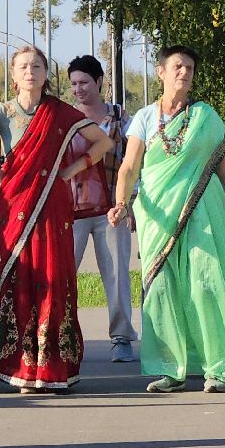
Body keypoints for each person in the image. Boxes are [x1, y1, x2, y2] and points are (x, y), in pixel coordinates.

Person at [109, 45, 225, 392]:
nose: (185, 72)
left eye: (190, 68)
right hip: (158, 215)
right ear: (161, 72)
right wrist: (121, 203)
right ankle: (170, 369)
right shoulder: (145, 118)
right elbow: (129, 166)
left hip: (204, 212)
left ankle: (218, 367)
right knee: (163, 289)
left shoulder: (205, 118)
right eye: (178, 66)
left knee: (207, 281)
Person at [0, 46, 112, 390]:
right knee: (18, 277)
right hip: (15, 204)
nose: (30, 71)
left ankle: (54, 366)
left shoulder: (60, 112)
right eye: (23, 66)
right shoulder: (2, 112)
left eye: (36, 66)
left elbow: (102, 142)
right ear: (13, 74)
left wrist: (70, 171)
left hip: (53, 204)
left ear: (45, 75)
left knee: (55, 276)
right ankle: (22, 367)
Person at [67, 55, 137, 364]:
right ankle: (61, 336)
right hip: (73, 210)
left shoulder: (121, 119)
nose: (78, 89)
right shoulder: (67, 119)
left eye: (83, 82)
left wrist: (130, 203)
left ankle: (121, 338)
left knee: (117, 273)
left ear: (99, 81)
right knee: (64, 273)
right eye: (73, 84)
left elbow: (134, 163)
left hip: (112, 208)